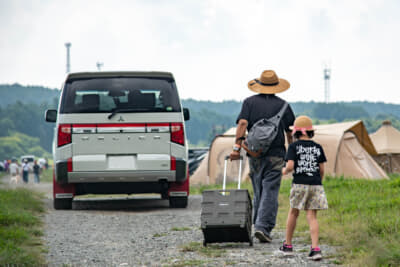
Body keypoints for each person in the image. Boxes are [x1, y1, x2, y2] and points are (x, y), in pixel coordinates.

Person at [230, 70, 295, 243]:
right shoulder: (284, 105)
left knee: (259, 189)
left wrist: (236, 148)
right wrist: (292, 154)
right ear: (276, 86)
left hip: (255, 154)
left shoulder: (249, 103)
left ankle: (256, 224)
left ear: (259, 85)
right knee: (270, 190)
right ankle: (262, 227)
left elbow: (243, 123)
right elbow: (290, 133)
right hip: (276, 155)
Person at [280, 115, 328, 261]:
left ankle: (288, 246)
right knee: (312, 216)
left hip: (299, 183)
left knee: (294, 212)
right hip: (315, 184)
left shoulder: (294, 147)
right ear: (310, 132)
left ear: (297, 132)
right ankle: (315, 249)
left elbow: (290, 166)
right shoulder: (318, 147)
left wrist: (284, 171)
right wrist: (319, 181)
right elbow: (321, 170)